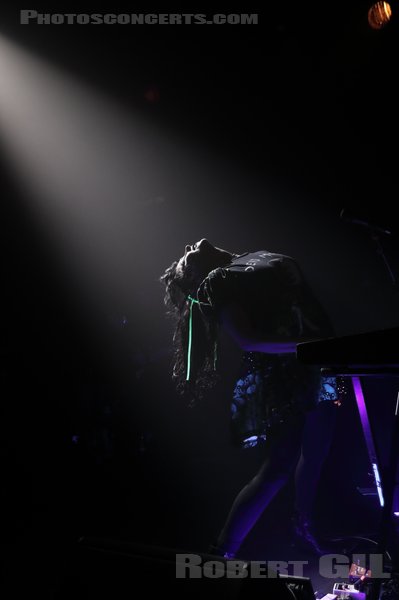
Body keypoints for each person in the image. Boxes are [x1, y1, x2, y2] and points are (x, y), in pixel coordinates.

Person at [160, 238, 343, 558]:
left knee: (317, 452)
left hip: (318, 363)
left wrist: (324, 348)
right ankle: (222, 552)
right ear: (196, 271)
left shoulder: (254, 255)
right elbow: (248, 339)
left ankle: (304, 525)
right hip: (286, 372)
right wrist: (312, 344)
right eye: (185, 256)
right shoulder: (217, 280)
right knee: (279, 466)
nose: (187, 247)